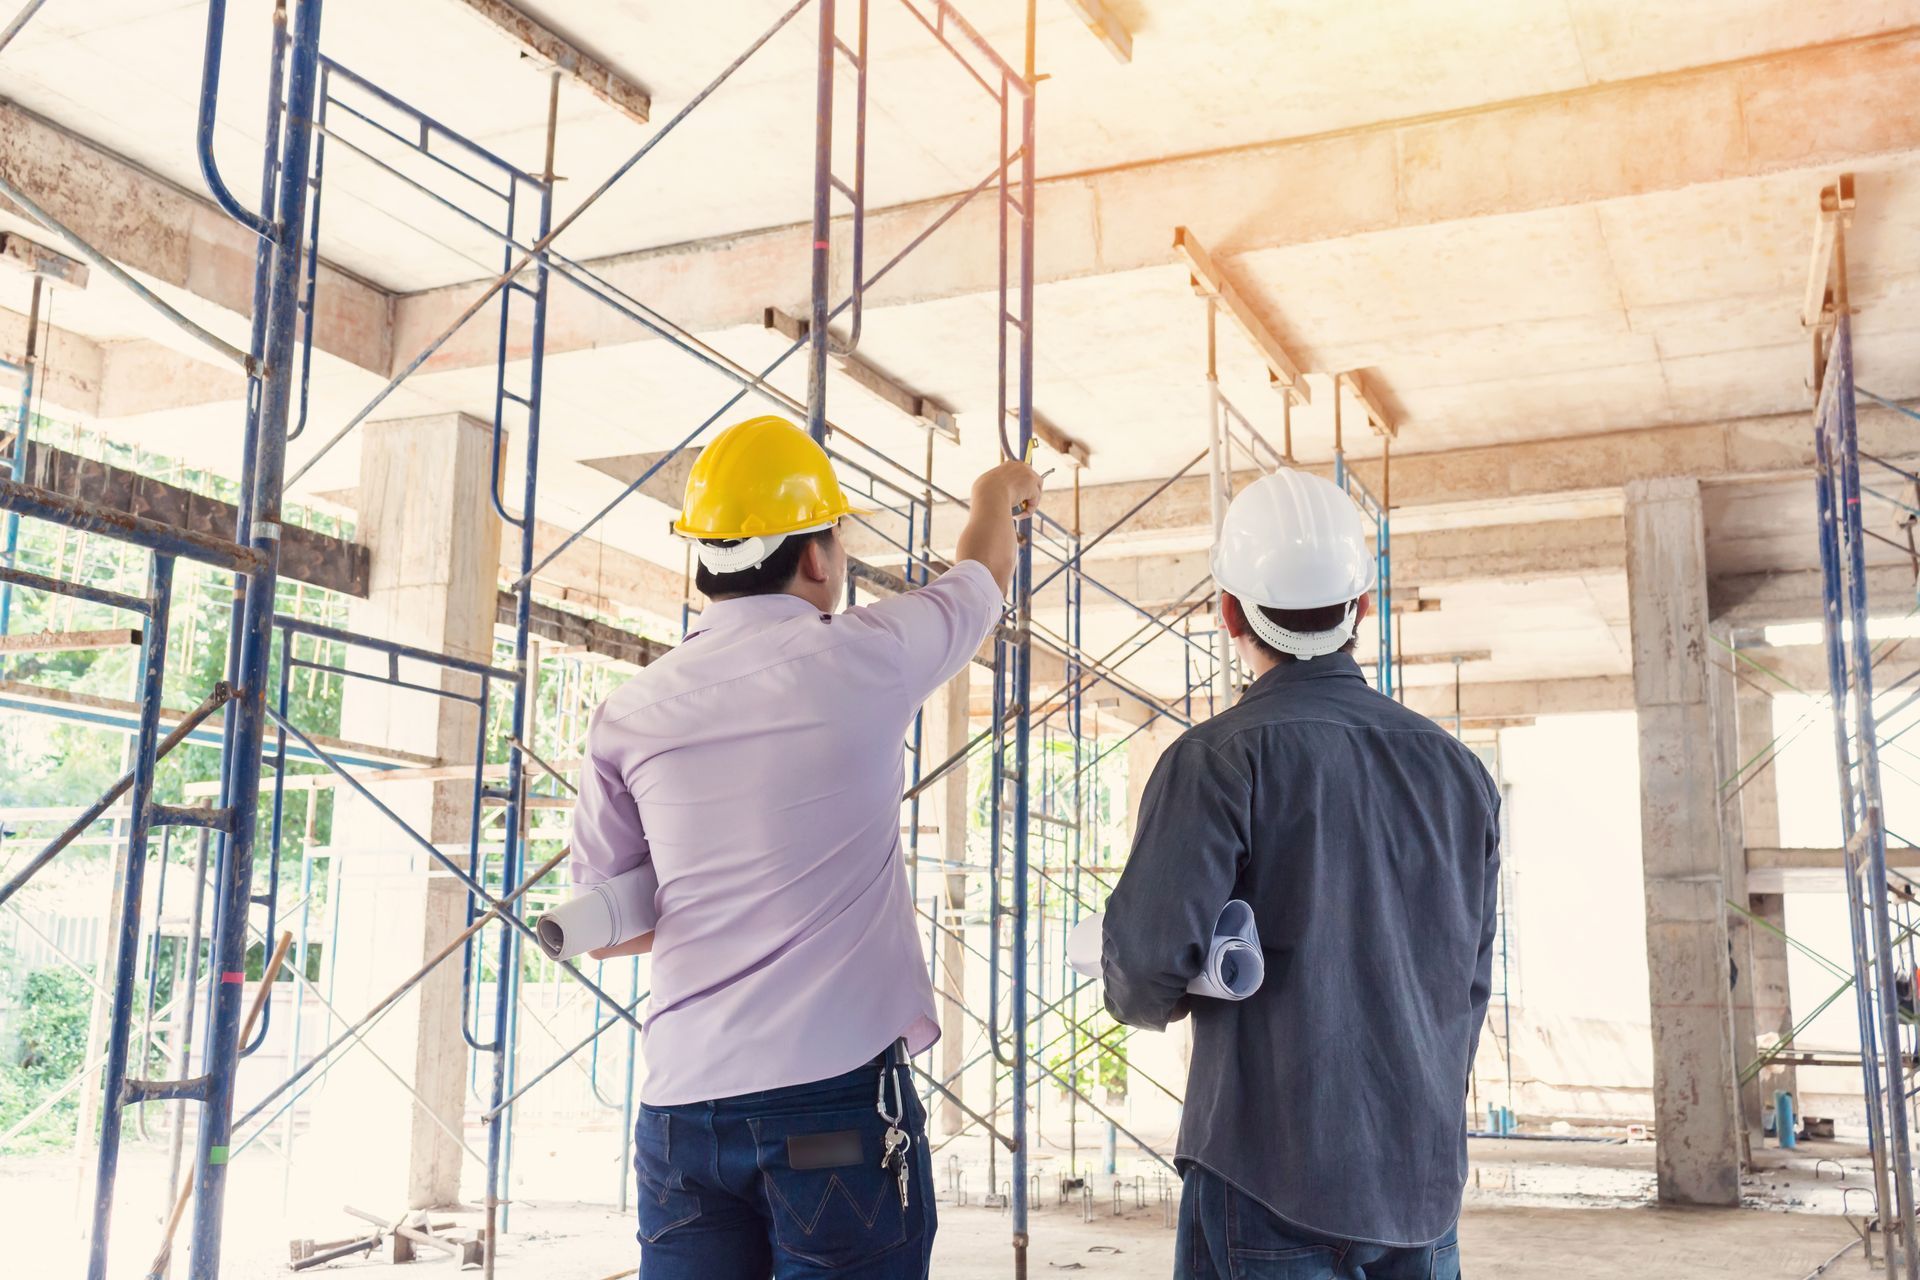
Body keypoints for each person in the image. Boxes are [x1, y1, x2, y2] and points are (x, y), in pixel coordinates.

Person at [568, 413, 1043, 1280]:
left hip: (681, 1125)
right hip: (828, 1124)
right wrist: (996, 492)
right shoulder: (870, 657)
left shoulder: (626, 716)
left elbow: (611, 926)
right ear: (817, 557)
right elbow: (982, 572)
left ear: (703, 559)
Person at [1101, 467, 1500, 1280]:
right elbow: (1469, 984)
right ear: (1360, 610)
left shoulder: (1218, 760)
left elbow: (1144, 968)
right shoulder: (1460, 773)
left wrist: (1145, 989)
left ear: (1226, 612)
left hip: (1267, 1172)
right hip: (1418, 1178)